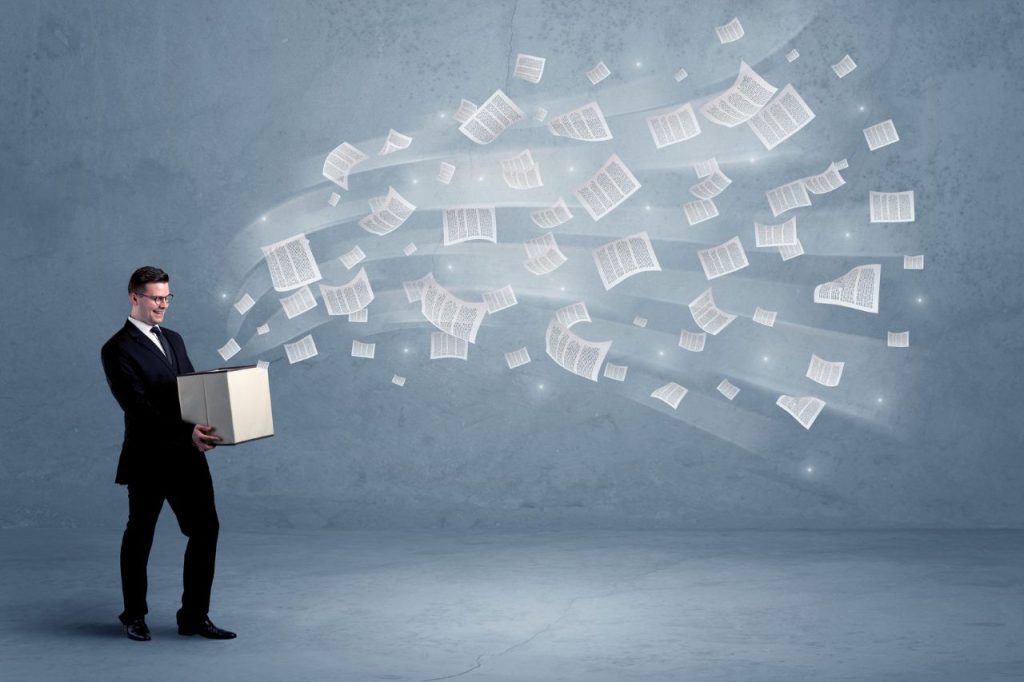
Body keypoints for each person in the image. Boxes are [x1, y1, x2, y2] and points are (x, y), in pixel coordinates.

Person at [100, 266, 236, 642]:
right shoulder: (116, 348)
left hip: (187, 456)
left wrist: (212, 425)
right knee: (140, 534)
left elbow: (191, 391)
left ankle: (194, 615)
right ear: (134, 298)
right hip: (147, 458)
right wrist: (186, 431)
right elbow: (137, 406)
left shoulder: (174, 338)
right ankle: (134, 615)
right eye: (156, 298)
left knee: (206, 529)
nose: (163, 305)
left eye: (167, 297)